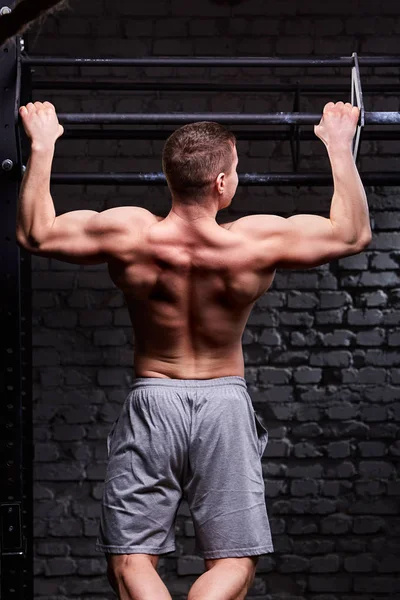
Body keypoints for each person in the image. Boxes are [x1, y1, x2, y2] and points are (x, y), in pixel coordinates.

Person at [17, 101, 371, 600]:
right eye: (237, 170)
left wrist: (44, 143)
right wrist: (338, 145)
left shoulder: (131, 234)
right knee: (233, 565)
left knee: (130, 561)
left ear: (170, 178)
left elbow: (35, 232)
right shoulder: (252, 242)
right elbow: (353, 233)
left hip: (153, 400)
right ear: (221, 184)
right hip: (225, 406)